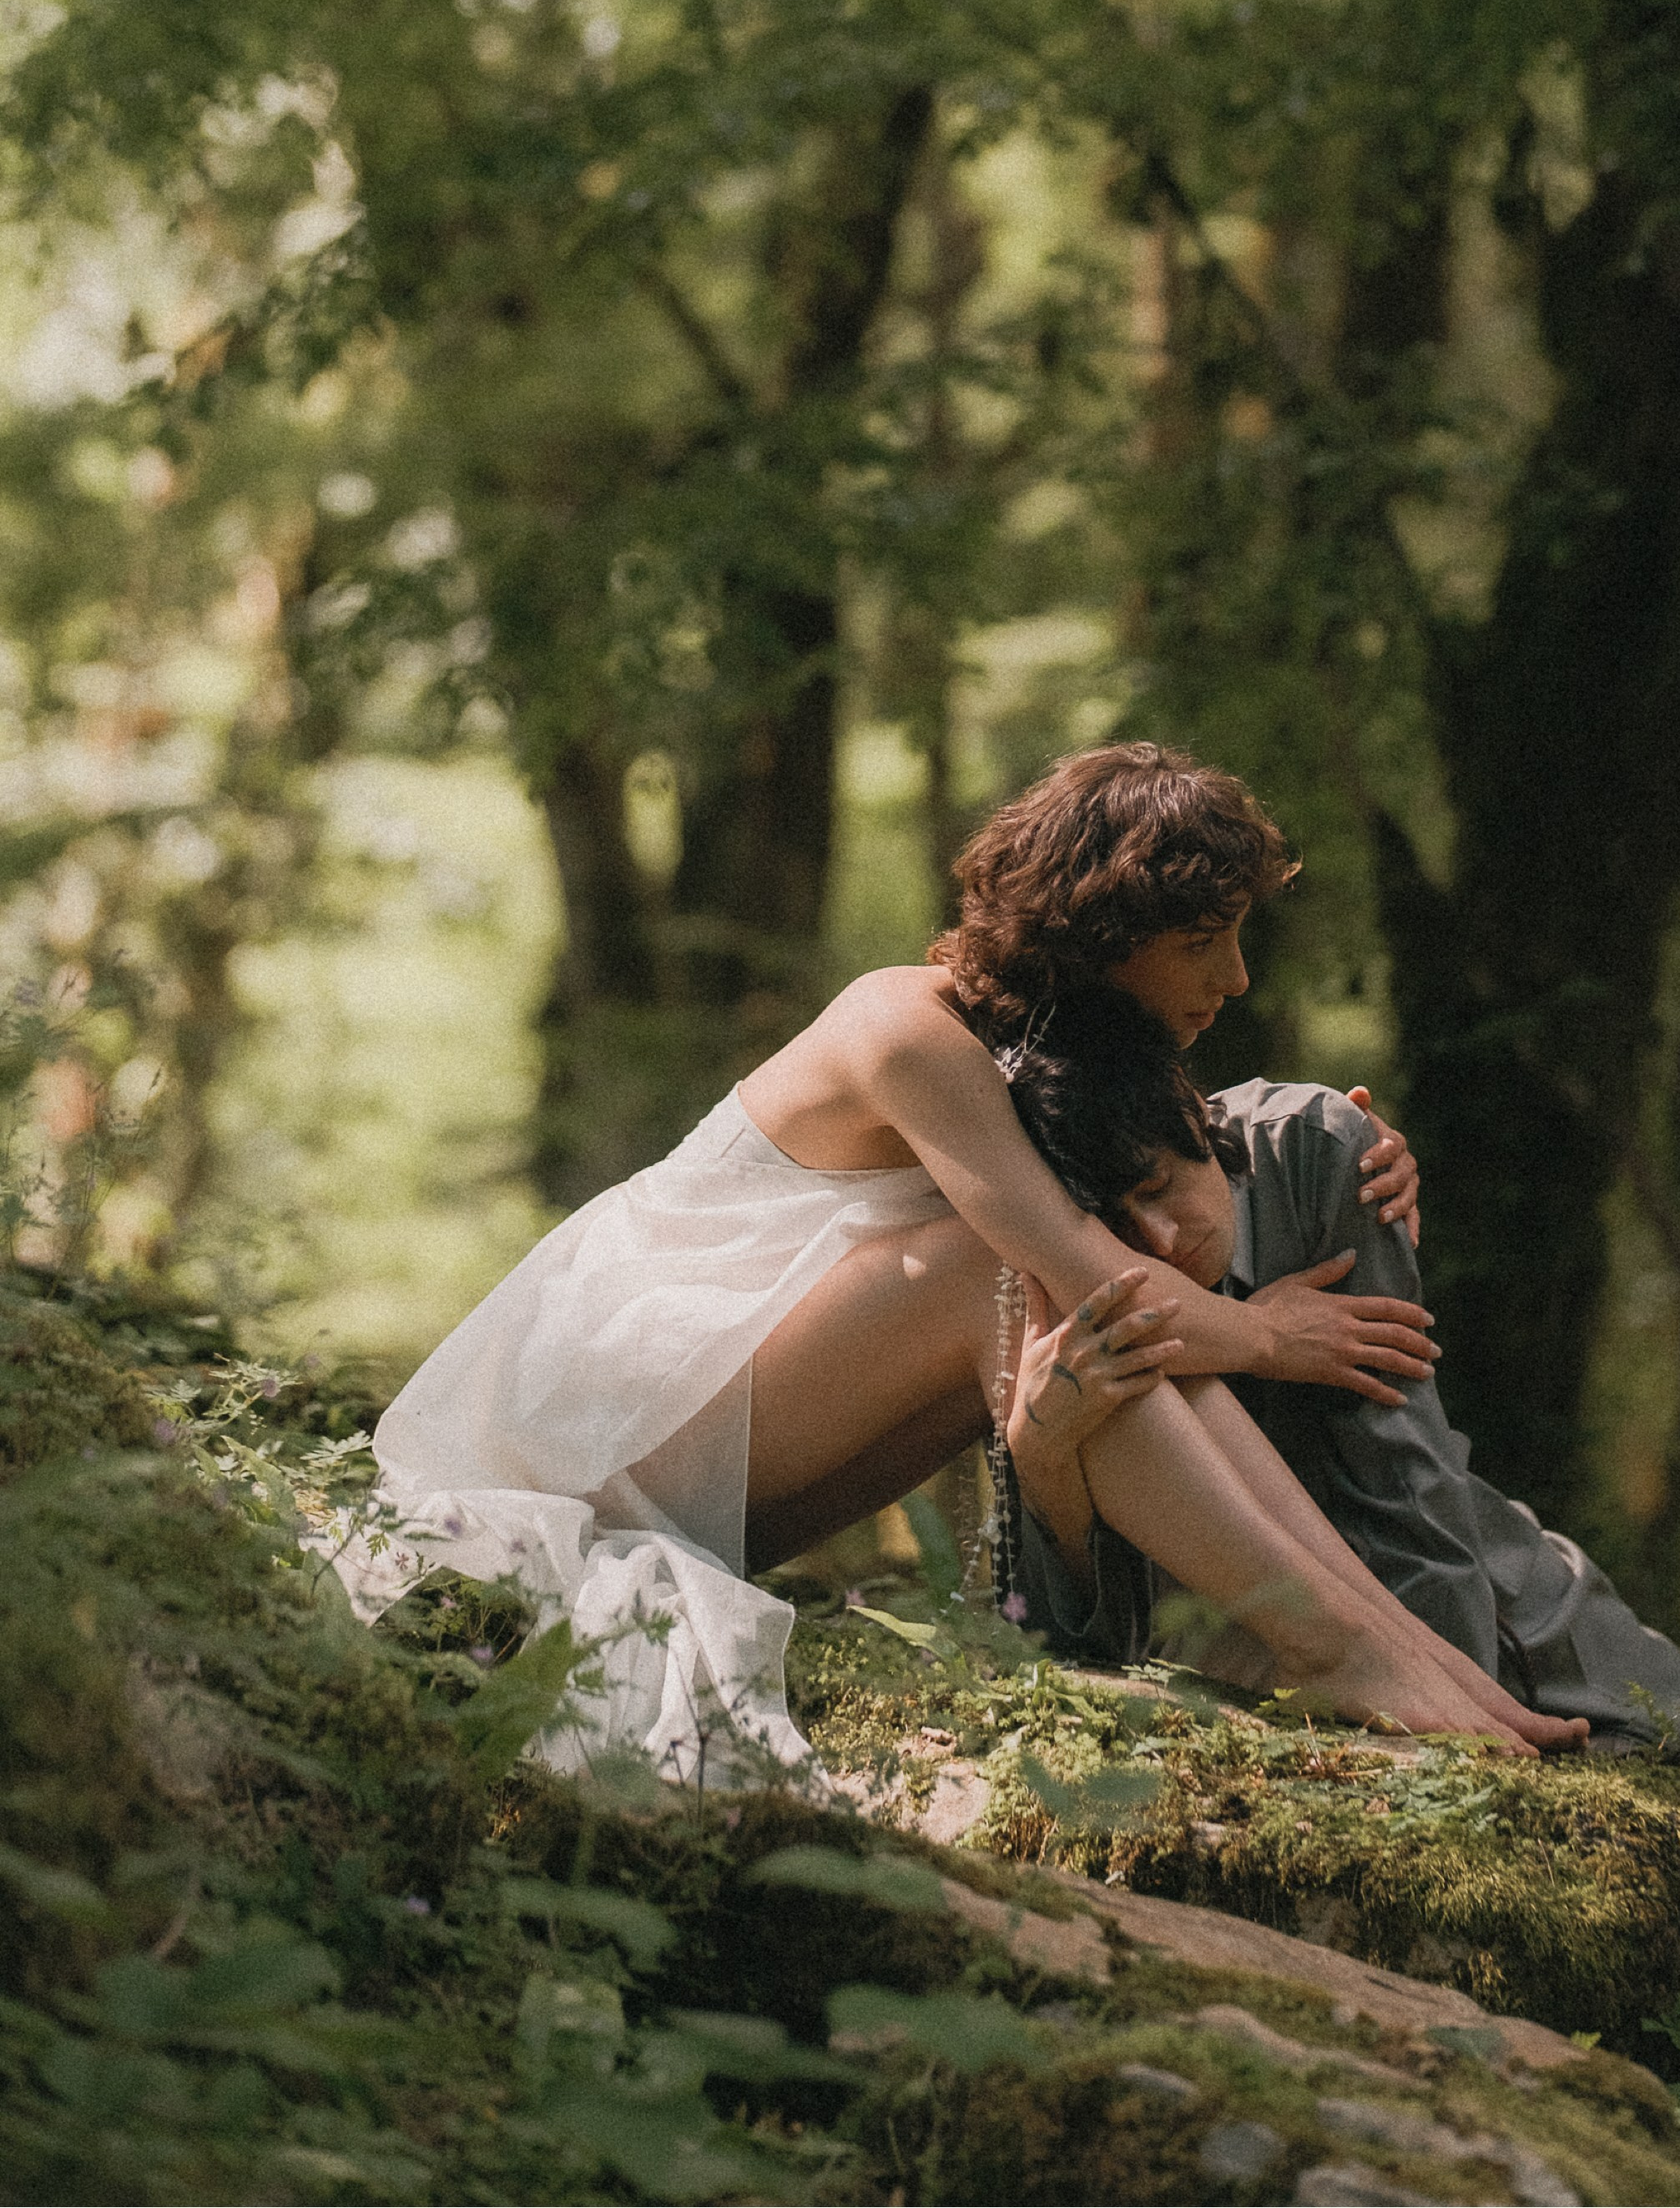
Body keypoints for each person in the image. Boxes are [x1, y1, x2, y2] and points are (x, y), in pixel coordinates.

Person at [333, 743, 1579, 1776]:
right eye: (1203, 939)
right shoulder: (905, 1025)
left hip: (729, 1461)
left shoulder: (1068, 1064)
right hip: (596, 1426)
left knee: (1082, 1316)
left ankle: (1385, 1648)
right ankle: (1334, 1649)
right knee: (1022, 1284)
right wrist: (1271, 1337)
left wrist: (1366, 1148)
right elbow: (1091, 1279)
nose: (1236, 976)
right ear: (1107, 928)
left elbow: (1174, 1234)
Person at [997, 988, 1680, 1776]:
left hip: (1474, 1594)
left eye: (1158, 1189)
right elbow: (1066, 1628)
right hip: (1263, 1651)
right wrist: (1041, 1453)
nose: (1162, 1239)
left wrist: (1458, 1705)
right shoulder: (1047, 1283)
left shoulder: (1308, 1156)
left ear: (1190, 1116)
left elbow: (1408, 1481)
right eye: (1118, 1223)